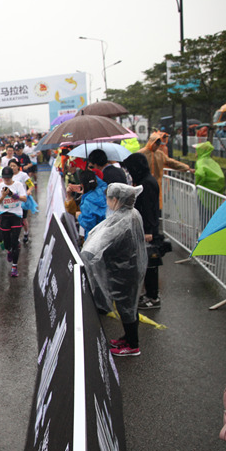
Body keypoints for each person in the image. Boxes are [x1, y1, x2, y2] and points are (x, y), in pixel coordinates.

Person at [81, 183, 147, 357]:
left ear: (117, 200)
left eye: (109, 198)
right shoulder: (131, 214)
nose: (107, 201)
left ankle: (133, 346)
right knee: (128, 307)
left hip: (124, 271)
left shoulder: (123, 220)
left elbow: (103, 242)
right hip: (128, 268)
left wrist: (87, 254)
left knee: (127, 308)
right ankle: (128, 337)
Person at [122, 153, 162, 310]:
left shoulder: (147, 183)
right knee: (147, 264)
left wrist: (149, 231)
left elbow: (149, 210)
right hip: (145, 228)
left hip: (148, 230)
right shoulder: (145, 180)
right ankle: (150, 294)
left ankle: (153, 297)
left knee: (151, 264)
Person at [138, 134, 193, 208]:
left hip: (156, 183)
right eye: (155, 144)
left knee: (156, 203)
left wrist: (186, 167)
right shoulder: (141, 153)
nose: (156, 146)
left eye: (158, 145)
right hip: (143, 184)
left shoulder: (160, 154)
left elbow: (171, 162)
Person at [0, 166, 27, 277]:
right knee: (7, 241)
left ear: (12, 176)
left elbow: (24, 198)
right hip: (4, 215)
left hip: (16, 215)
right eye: (5, 178)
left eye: (8, 177)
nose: (7, 180)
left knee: (15, 242)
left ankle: (14, 266)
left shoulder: (18, 185)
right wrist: (3, 196)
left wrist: (13, 195)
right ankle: (8, 250)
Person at [76, 170, 107, 240]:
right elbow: (102, 183)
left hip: (95, 239)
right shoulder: (104, 190)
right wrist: (90, 176)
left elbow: (89, 224)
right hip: (108, 233)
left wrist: (79, 217)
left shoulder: (87, 202)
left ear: (82, 185)